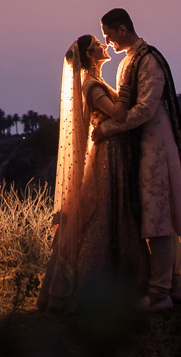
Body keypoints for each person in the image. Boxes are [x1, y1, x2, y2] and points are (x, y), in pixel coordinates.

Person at [95, 7, 181, 310]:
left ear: (123, 28)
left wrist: (108, 128)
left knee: (159, 221)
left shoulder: (148, 60)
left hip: (156, 148)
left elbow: (146, 109)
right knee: (157, 218)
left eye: (109, 35)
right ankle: (174, 287)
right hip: (145, 147)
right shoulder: (130, 61)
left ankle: (160, 293)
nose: (108, 42)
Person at [37, 33, 147, 311]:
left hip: (114, 150)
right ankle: (93, 284)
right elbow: (118, 114)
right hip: (108, 154)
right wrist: (125, 89)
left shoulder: (95, 82)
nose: (104, 45)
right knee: (106, 209)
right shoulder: (92, 85)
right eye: (98, 44)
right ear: (89, 54)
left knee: (113, 207)